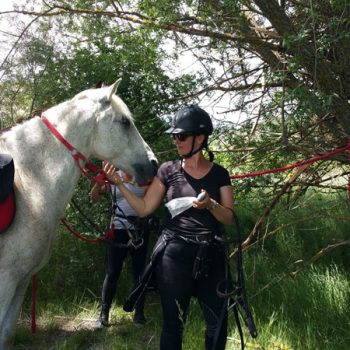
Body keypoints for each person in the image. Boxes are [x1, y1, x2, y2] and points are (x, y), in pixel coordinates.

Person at [103, 106, 234, 350]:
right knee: (173, 325)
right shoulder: (167, 170)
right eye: (174, 136)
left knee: (217, 325)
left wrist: (211, 205)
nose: (176, 141)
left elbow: (229, 217)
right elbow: (144, 208)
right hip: (174, 256)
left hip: (211, 255)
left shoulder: (220, 174)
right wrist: (119, 183)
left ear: (200, 138)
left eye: (181, 136)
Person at [91, 170, 154, 327]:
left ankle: (139, 314)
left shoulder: (144, 176)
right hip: (118, 229)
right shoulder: (113, 175)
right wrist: (98, 184)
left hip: (140, 229)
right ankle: (104, 314)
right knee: (112, 272)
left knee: (139, 272)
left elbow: (152, 200)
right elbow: (94, 198)